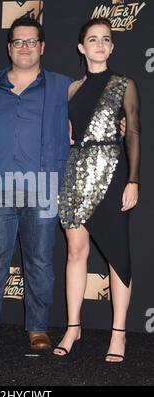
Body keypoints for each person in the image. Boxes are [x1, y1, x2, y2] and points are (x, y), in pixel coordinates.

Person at [0, 17, 72, 351]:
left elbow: (86, 123)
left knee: (39, 261)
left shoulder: (62, 86)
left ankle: (37, 328)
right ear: (9, 47)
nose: (25, 47)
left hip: (44, 187)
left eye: (31, 41)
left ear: (42, 47)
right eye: (18, 41)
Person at [53, 18, 140, 362]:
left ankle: (118, 333)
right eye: (93, 39)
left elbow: (133, 131)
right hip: (76, 172)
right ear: (81, 47)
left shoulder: (124, 83)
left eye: (106, 39)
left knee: (118, 254)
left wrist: (133, 180)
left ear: (112, 46)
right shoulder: (71, 89)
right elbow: (66, 132)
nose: (100, 44)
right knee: (76, 250)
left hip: (113, 171)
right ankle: (73, 327)